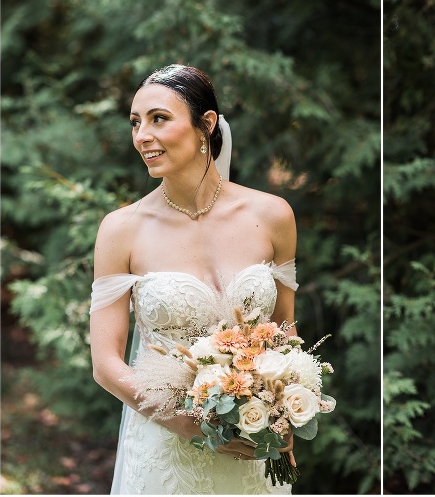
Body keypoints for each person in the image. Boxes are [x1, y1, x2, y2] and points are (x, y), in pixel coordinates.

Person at [89, 64, 298, 494]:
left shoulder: (273, 216)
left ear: (205, 125)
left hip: (253, 446)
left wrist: (287, 408)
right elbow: (106, 365)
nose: (142, 135)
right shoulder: (121, 229)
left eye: (158, 118)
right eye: (135, 122)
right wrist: (187, 426)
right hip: (167, 452)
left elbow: (284, 333)